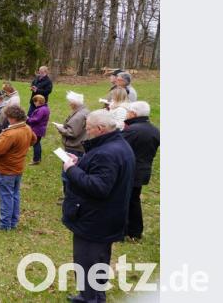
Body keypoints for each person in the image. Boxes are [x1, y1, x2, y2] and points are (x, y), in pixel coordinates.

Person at [62, 110, 135, 303]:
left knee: (87, 262)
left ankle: (90, 298)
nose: (87, 132)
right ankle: (93, 296)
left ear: (101, 129)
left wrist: (71, 170)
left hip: (95, 219)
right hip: (106, 216)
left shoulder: (107, 153)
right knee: (99, 261)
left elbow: (99, 187)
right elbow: (102, 175)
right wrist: (81, 164)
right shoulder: (117, 145)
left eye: (89, 128)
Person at [0, 105, 37, 231]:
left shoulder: (10, 134)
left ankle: (4, 225)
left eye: (8, 117)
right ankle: (13, 222)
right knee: (14, 195)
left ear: (13, 118)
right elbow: (33, 140)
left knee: (6, 196)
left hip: (6, 169)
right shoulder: (27, 128)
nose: (7, 119)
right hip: (18, 167)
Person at [120, 101, 160, 241]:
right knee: (134, 200)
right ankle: (135, 231)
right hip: (144, 169)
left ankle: (124, 231)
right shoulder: (154, 130)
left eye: (129, 111)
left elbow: (120, 147)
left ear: (134, 113)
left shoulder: (132, 130)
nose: (127, 113)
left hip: (130, 170)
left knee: (125, 200)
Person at [55, 91, 91, 158]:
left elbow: (72, 133)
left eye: (70, 102)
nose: (69, 104)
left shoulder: (79, 116)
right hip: (80, 145)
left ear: (74, 103)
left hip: (74, 147)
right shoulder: (85, 111)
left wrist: (60, 128)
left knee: (69, 166)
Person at [26, 94, 51, 165]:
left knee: (35, 144)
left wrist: (27, 119)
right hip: (40, 129)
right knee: (37, 143)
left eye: (35, 101)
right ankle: (38, 158)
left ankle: (36, 159)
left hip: (37, 129)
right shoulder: (45, 108)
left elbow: (36, 120)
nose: (34, 103)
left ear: (38, 101)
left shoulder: (41, 110)